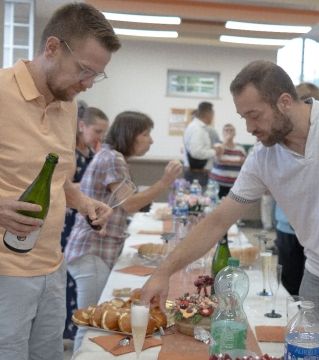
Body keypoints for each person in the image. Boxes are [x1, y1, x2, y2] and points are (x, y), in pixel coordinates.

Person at [142, 60, 319, 322]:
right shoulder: (262, 158)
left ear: (285, 102)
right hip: (317, 280)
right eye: (244, 118)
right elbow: (217, 221)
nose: (249, 128)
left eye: (254, 115)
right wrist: (164, 271)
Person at [0, 3, 118, 360]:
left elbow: (58, 181)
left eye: (96, 75)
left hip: (53, 265)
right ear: (52, 47)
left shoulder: (68, 106)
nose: (87, 83)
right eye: (84, 70)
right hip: (6, 272)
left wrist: (84, 203)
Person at [65, 111, 182, 350]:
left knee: (94, 323)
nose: (150, 140)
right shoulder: (112, 158)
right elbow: (129, 204)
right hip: (93, 250)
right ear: (130, 134)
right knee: (92, 325)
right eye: (145, 134)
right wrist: (164, 182)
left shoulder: (112, 156)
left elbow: (123, 203)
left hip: (94, 250)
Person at [61, 105, 109, 341]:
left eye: (103, 133)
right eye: (97, 131)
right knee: (69, 278)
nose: (100, 137)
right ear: (81, 126)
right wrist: (92, 189)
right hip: (68, 217)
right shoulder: (70, 151)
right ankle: (69, 329)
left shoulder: (90, 151)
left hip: (84, 215)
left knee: (75, 282)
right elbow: (64, 186)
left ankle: (73, 328)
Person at [273, 82, 319, 295]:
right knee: (290, 284)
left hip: (313, 230)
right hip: (288, 226)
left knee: (307, 283)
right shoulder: (280, 143)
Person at [183, 101, 224, 187]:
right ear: (208, 114)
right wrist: (214, 151)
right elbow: (196, 152)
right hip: (197, 174)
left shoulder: (195, 127)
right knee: (198, 200)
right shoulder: (198, 129)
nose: (213, 117)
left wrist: (210, 148)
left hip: (196, 172)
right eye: (213, 114)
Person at [209, 123, 247, 198]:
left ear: (235, 133)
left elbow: (244, 164)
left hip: (234, 186)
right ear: (222, 133)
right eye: (226, 130)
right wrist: (225, 141)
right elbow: (217, 159)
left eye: (231, 130)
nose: (229, 132)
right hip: (217, 184)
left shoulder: (240, 148)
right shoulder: (218, 146)